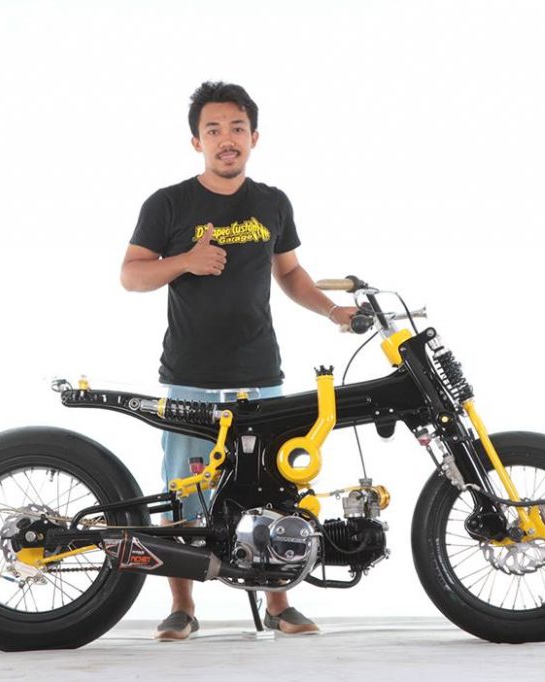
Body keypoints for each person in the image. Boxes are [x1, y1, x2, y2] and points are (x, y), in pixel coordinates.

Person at [120, 81, 358, 641]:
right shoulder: (168, 204)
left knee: (271, 488)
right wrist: (186, 261)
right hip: (190, 377)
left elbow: (290, 272)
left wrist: (333, 311)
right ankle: (182, 607)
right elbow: (131, 275)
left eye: (236, 129)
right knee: (184, 492)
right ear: (196, 141)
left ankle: (279, 604)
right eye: (213, 130)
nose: (226, 139)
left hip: (259, 376)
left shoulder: (272, 202)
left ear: (254, 137)